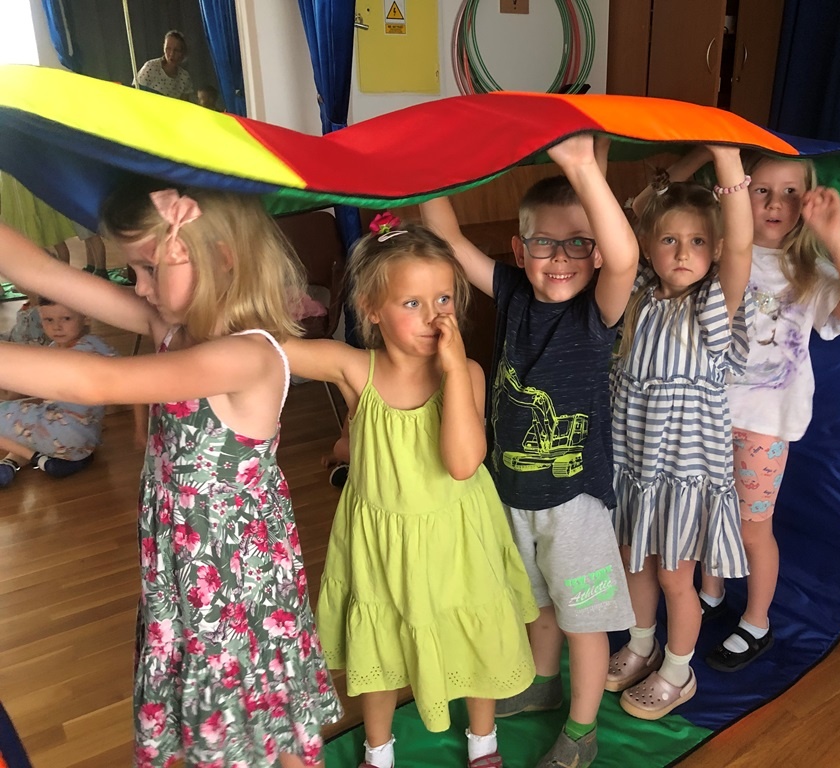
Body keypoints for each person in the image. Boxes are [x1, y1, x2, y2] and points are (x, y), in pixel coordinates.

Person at [0, 183, 342, 767]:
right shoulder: (169, 327)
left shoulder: (248, 355)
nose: (139, 287)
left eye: (149, 268)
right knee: (250, 704)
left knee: (257, 699)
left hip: (230, 578)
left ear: (220, 257)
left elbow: (97, 382)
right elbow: (40, 271)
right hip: (183, 560)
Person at [284, 218, 538, 768]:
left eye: (443, 299)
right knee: (378, 642)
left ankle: (483, 740)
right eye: (412, 303)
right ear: (371, 308)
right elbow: (270, 351)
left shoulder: (467, 373)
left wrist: (454, 370)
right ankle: (378, 749)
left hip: (457, 537)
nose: (434, 317)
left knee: (473, 633)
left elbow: (463, 463)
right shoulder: (354, 368)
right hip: (380, 541)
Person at [421, 134, 640, 768]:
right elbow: (449, 240)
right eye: (544, 243)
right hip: (512, 493)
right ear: (519, 250)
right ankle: (544, 685)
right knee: (535, 603)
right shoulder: (514, 291)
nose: (560, 257)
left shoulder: (597, 312)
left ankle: (582, 730)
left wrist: (580, 165)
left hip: (574, 503)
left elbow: (625, 258)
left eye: (578, 243)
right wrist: (423, 166)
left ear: (596, 252)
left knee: (583, 621)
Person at [699, 152, 840, 672]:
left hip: (762, 425)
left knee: (752, 529)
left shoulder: (809, 271)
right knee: (707, 512)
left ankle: (756, 621)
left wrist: (834, 235)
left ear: (806, 203)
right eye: (762, 190)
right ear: (739, 193)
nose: (775, 203)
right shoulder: (714, 252)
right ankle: (711, 591)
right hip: (704, 414)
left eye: (790, 193)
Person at [604, 145, 753, 719]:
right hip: (635, 470)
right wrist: (675, 178)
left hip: (684, 477)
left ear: (714, 250)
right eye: (670, 240)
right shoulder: (639, 292)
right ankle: (641, 644)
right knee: (633, 562)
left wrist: (726, 162)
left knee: (674, 577)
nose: (683, 252)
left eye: (697, 241)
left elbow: (740, 248)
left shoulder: (712, 305)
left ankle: (677, 669)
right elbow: (631, 216)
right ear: (649, 248)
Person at [0, 297, 115, 488]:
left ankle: (38, 459)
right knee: (26, 417)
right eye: (49, 320)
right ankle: (12, 463)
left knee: (16, 417)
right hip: (88, 441)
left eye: (66, 319)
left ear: (86, 317)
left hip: (64, 437)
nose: (57, 327)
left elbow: (16, 393)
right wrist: (140, 430)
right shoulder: (100, 346)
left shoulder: (57, 355)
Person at [134, 30, 194, 101]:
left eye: (176, 50)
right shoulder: (151, 67)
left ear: (182, 52)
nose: (171, 54)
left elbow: (185, 104)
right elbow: (135, 91)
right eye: (168, 49)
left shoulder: (185, 78)